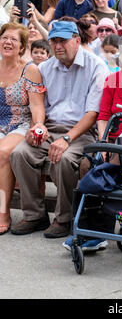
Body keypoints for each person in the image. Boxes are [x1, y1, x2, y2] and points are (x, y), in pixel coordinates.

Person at [10, 21, 110, 238]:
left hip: (81, 131)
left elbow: (92, 113)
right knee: (20, 154)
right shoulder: (45, 67)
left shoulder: (96, 66)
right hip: (49, 127)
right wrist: (36, 126)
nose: (57, 46)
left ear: (76, 40)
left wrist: (66, 138)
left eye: (63, 41)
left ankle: (64, 219)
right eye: (53, 41)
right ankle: (34, 215)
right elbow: (38, 105)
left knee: (63, 159)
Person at [0, 22, 46, 234]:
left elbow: (37, 105)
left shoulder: (30, 69)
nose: (7, 42)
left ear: (21, 47)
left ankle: (3, 212)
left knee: (3, 153)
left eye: (13, 39)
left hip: (20, 122)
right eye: (4, 37)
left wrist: (38, 125)